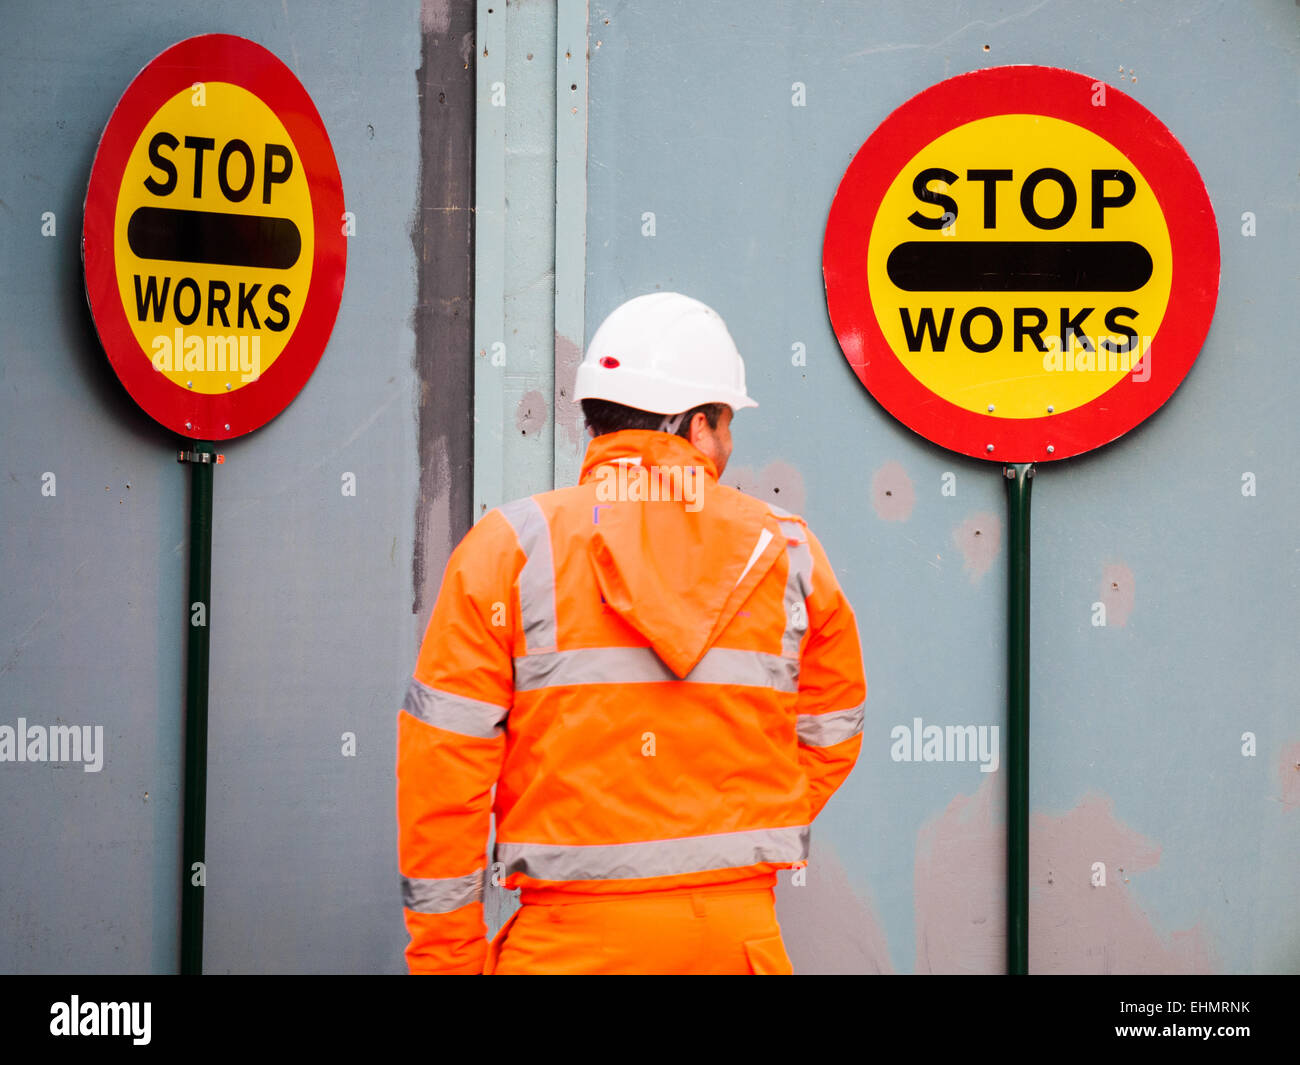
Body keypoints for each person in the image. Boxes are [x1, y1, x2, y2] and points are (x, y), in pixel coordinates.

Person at [396, 291, 866, 974]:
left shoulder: (509, 549)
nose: (730, 444)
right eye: (727, 423)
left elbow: (442, 773)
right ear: (700, 425)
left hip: (566, 946)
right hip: (737, 944)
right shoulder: (789, 551)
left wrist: (449, 965)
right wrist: (732, 804)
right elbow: (834, 727)